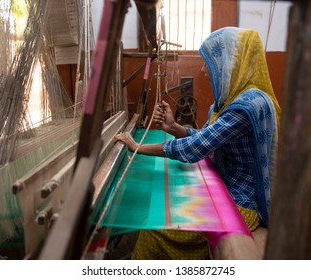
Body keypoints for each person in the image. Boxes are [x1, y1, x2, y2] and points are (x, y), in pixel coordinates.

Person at [115, 27, 281, 259]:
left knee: (156, 230)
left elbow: (196, 148)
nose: (204, 69)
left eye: (209, 62)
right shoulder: (230, 102)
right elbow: (206, 136)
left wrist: (137, 148)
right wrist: (175, 128)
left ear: (229, 61)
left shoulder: (250, 105)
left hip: (241, 206)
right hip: (224, 191)